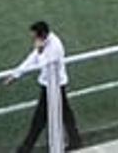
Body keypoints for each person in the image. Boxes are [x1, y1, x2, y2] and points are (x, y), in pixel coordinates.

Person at [5, 21, 80, 152]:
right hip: (50, 85)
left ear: (43, 34)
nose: (33, 39)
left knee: (40, 118)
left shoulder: (55, 46)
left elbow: (44, 63)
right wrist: (16, 74)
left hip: (54, 86)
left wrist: (40, 50)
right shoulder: (44, 42)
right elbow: (32, 58)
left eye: (35, 36)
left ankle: (26, 148)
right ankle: (75, 140)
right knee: (65, 114)